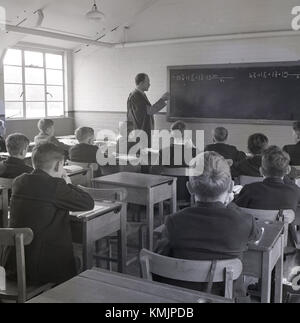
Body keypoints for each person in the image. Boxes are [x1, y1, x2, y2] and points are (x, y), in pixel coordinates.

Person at [156, 151, 260, 297]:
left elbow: (160, 260)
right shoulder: (244, 222)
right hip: (226, 297)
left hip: (183, 298)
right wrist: (231, 205)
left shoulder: (174, 221)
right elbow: (257, 236)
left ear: (189, 188)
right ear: (230, 187)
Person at [6, 143, 94, 285]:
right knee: (76, 261)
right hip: (44, 268)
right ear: (59, 165)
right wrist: (68, 183)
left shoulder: (19, 181)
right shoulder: (56, 186)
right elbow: (88, 203)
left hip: (14, 264)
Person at [235, 146, 300, 212]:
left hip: (254, 222)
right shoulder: (295, 191)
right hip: (283, 222)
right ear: (288, 170)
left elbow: (237, 210)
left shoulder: (249, 189)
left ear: (261, 170)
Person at [127, 73, 170, 147]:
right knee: (142, 155)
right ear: (141, 83)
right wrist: (162, 99)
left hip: (141, 132)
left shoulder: (139, 94)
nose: (149, 84)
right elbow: (150, 111)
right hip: (140, 133)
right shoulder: (136, 96)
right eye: (148, 82)